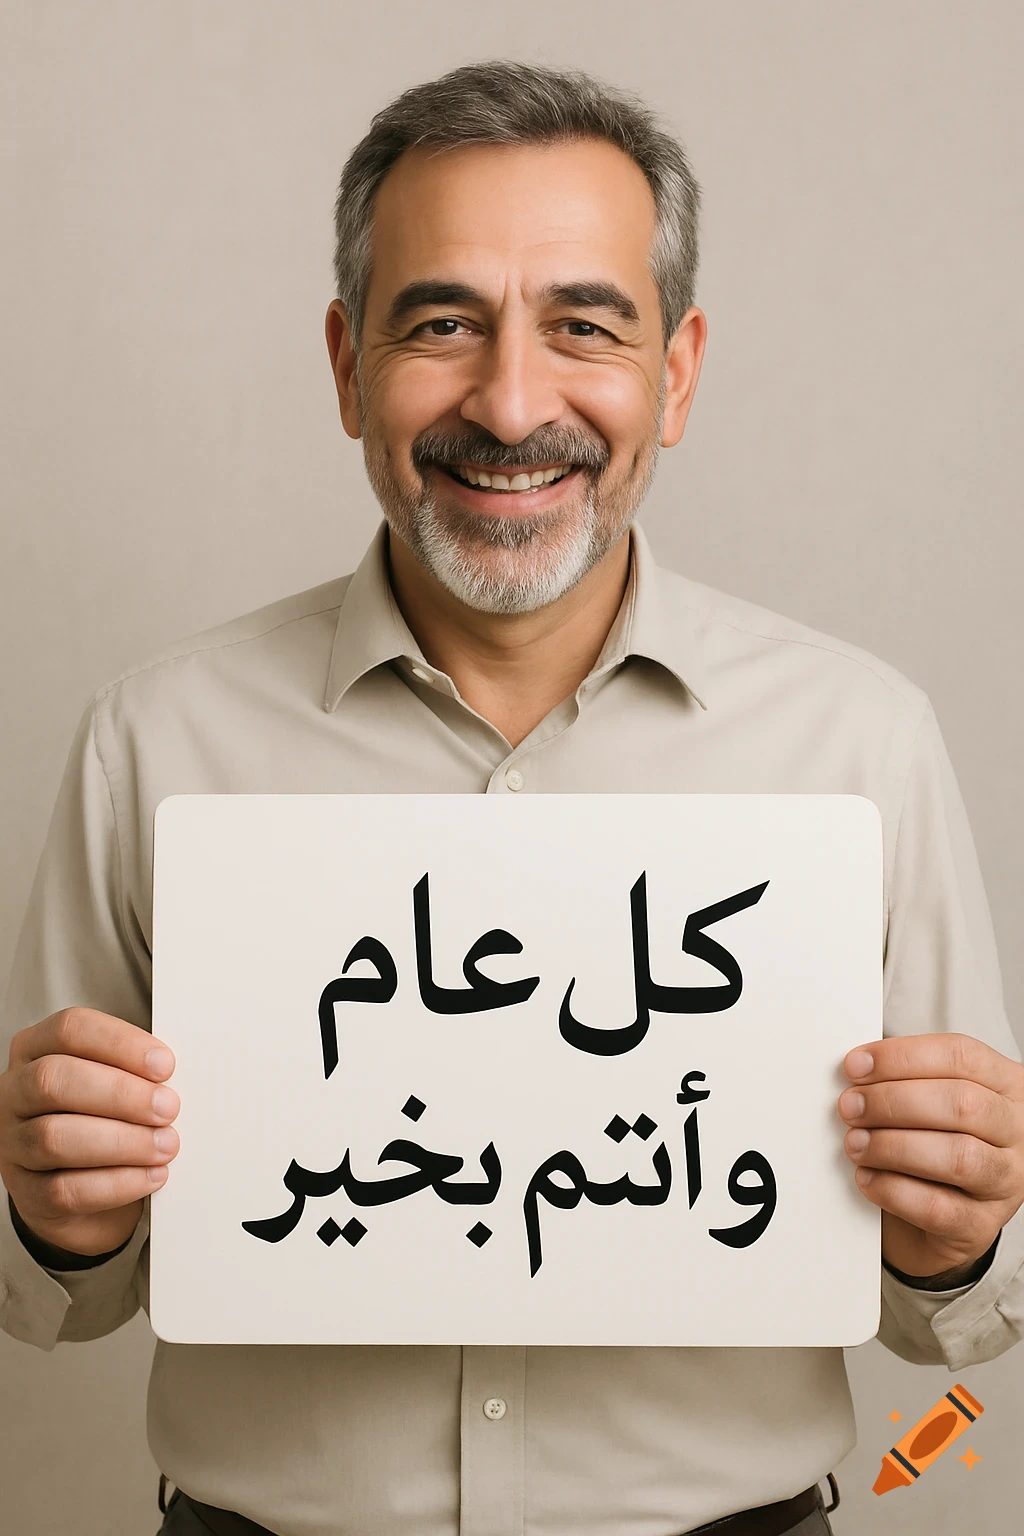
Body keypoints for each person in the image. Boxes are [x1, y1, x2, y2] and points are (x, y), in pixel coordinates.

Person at [1, 57, 1022, 1536]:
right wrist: (53, 1215)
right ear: (346, 364)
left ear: (676, 374)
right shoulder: (149, 744)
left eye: (583, 327)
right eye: (442, 324)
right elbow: (48, 1296)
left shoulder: (861, 745)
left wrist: (956, 1236)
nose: (512, 401)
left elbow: (960, 1322)